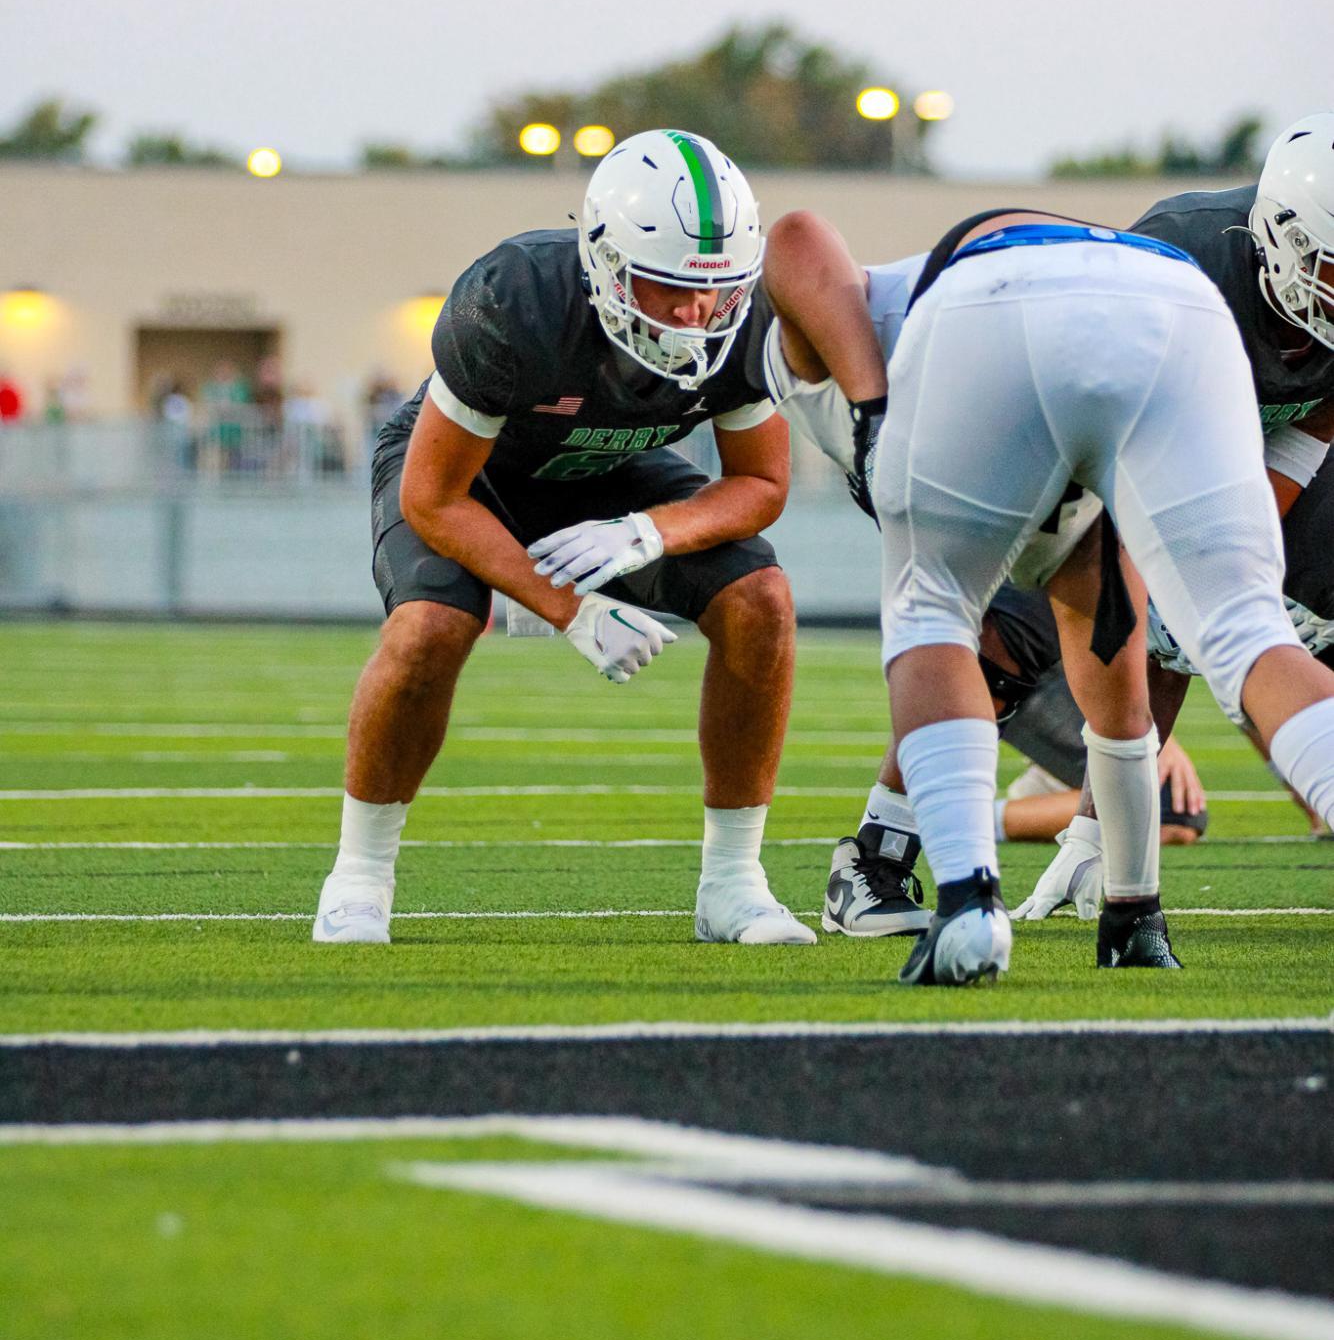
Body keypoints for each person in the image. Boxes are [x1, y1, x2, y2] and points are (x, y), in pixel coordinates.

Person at [767, 202, 1334, 983]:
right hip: (1177, 307)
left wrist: (868, 407)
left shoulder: (803, 354)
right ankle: (1132, 918)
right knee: (1243, 626)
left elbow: (795, 235)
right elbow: (1108, 653)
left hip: (998, 302)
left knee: (935, 608)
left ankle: (967, 901)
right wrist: (1124, 884)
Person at [313, 129, 810, 948]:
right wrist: (568, 606)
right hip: (470, 473)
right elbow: (433, 498)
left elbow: (761, 483)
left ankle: (732, 881)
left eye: (715, 292)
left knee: (761, 599)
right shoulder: (518, 298)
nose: (696, 316)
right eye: (667, 290)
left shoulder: (744, 314)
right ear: (609, 265)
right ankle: (360, 874)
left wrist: (652, 529)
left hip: (611, 474)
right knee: (432, 624)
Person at [1017, 111, 1334, 914]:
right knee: (1103, 624)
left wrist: (1243, 574)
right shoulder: (1178, 265)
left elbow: (1312, 426)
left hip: (1273, 468)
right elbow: (1098, 439)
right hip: (1107, 468)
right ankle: (899, 846)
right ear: (1287, 241)